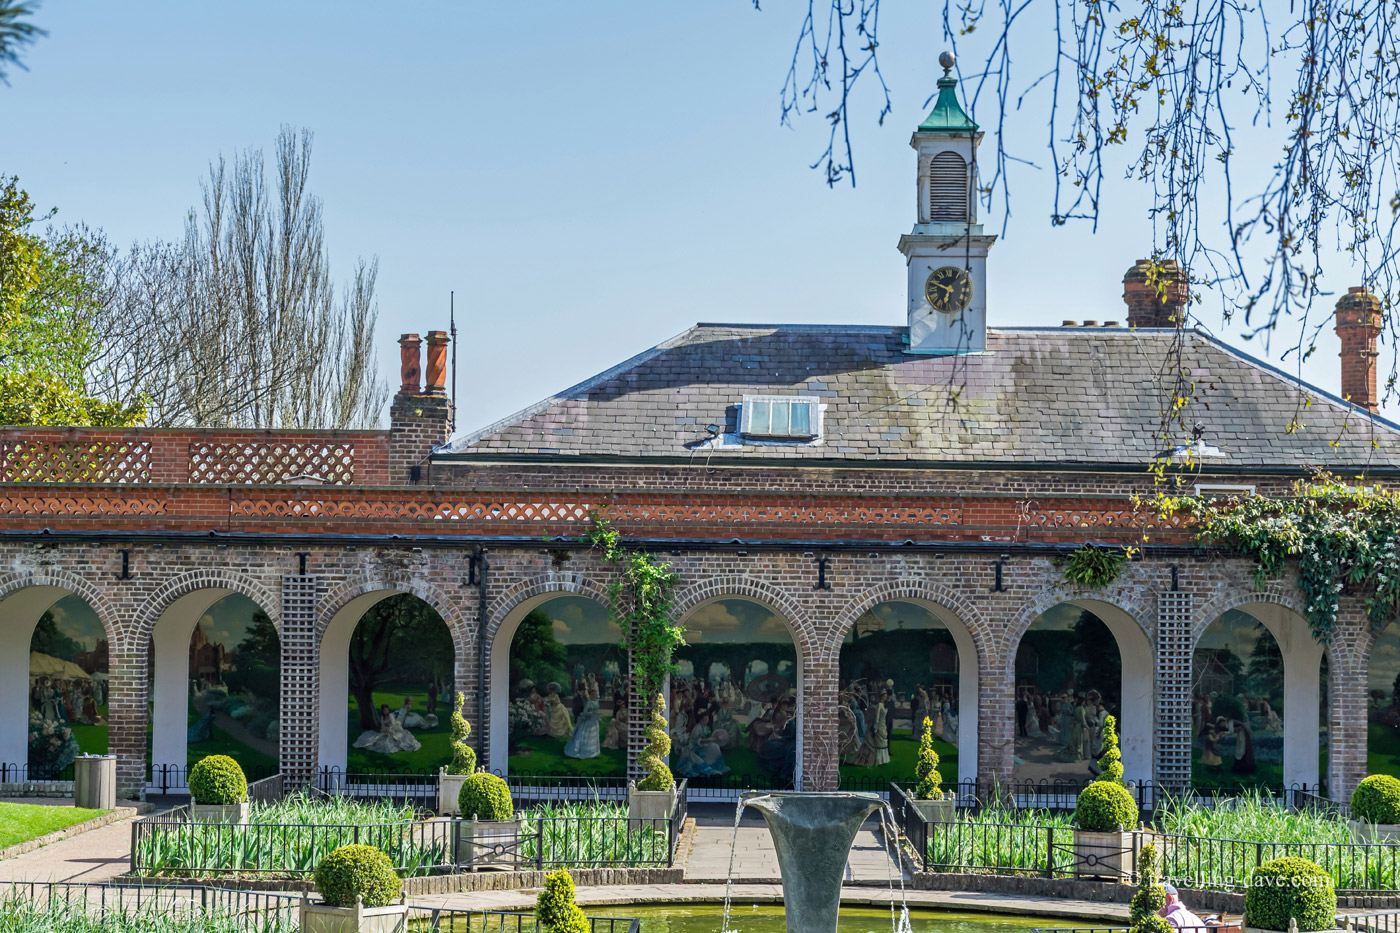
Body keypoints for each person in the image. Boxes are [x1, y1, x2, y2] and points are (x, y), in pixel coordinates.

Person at [353, 702, 422, 754]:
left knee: (393, 740)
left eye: (386, 710)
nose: (386, 711)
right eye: (384, 710)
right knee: (377, 739)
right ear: (383, 711)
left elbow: (392, 724)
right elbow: (382, 726)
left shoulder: (390, 716)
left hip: (393, 730)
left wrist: (389, 729)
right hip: (386, 731)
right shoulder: (382, 717)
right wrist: (385, 730)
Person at [564, 695, 602, 759]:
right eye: (593, 694)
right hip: (589, 720)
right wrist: (590, 713)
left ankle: (593, 750)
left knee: (594, 734)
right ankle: (585, 750)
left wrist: (597, 717)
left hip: (594, 720)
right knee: (586, 734)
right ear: (590, 695)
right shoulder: (589, 702)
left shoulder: (597, 701)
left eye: (595, 693)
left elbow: (596, 711)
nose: (594, 695)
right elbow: (585, 712)